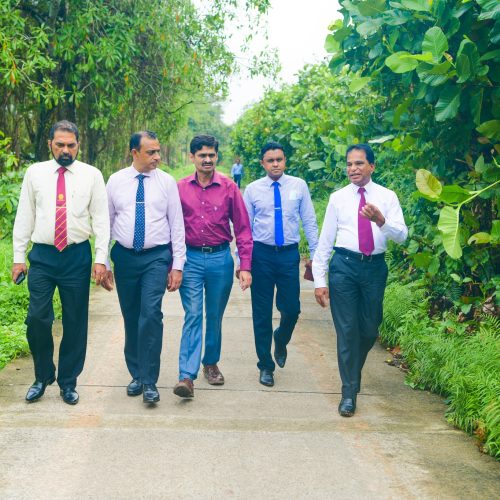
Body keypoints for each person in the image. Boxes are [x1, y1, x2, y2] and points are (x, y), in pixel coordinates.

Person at [12, 120, 110, 405]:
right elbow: (25, 215)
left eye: (71, 145)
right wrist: (18, 257)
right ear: (50, 145)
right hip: (42, 256)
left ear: (79, 145)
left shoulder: (92, 175)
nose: (66, 150)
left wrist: (101, 259)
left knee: (75, 320)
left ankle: (68, 382)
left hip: (76, 256)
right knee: (37, 318)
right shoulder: (35, 173)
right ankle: (42, 376)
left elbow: (101, 220)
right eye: (60, 145)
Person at [312, 144, 408, 417]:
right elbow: (325, 241)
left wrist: (381, 220)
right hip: (344, 267)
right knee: (347, 331)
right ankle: (348, 392)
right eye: (349, 164)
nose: (353, 168)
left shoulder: (387, 197)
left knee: (368, 329)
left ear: (371, 166)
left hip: (374, 269)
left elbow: (402, 236)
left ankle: (352, 373)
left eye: (359, 163)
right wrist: (320, 280)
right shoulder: (338, 198)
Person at [101, 131, 186, 404]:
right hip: (125, 257)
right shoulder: (116, 181)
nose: (157, 157)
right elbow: (106, 223)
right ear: (134, 153)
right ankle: (136, 374)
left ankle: (149, 381)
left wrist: (178, 265)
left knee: (150, 314)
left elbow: (177, 225)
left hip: (156, 258)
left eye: (158, 151)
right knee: (131, 316)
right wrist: (103, 260)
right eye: (151, 152)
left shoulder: (166, 182)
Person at [174, 135, 253, 398]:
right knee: (193, 314)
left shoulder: (229, 188)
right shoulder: (180, 188)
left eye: (211, 155)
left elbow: (243, 228)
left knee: (214, 315)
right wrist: (173, 264)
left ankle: (210, 363)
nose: (207, 160)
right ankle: (186, 375)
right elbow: (171, 227)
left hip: (220, 259)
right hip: (191, 259)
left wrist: (245, 265)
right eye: (202, 155)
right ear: (192, 157)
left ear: (217, 156)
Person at [243, 141, 318, 387]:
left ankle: (281, 337)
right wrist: (243, 262)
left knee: (292, 309)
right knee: (262, 313)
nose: (275, 164)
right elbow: (245, 228)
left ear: (285, 161)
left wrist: (315, 255)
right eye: (270, 160)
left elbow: (309, 220)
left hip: (288, 255)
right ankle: (265, 365)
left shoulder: (298, 185)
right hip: (261, 255)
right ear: (262, 163)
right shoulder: (253, 189)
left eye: (279, 159)